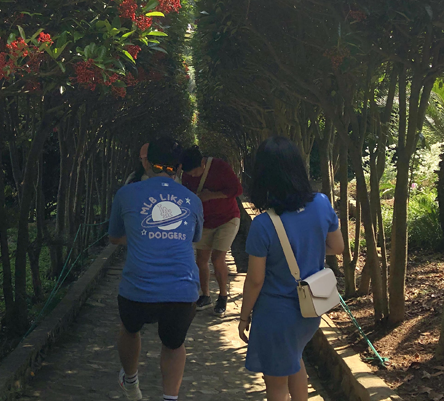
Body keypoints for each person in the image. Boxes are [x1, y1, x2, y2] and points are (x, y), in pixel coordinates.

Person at [237, 136, 345, 401]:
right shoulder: (321, 202)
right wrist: (308, 250)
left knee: (275, 385)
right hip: (310, 309)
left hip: (276, 314)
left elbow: (255, 280)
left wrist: (243, 316)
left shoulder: (264, 225)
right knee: (294, 362)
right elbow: (337, 246)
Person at [109, 137, 204, 401]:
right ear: (179, 167)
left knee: (129, 328)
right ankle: (170, 398)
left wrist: (142, 234)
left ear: (147, 162)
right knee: (174, 345)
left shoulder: (126, 194)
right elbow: (193, 237)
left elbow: (115, 237)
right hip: (182, 290)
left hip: (138, 287)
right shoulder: (192, 200)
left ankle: (131, 383)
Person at [179, 146, 243, 316]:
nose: (192, 176)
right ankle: (205, 295)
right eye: (189, 173)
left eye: (195, 172)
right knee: (201, 259)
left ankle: (222, 296)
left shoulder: (220, 167)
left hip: (227, 218)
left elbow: (237, 190)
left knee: (217, 258)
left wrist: (211, 195)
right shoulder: (186, 174)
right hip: (204, 221)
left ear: (202, 162)